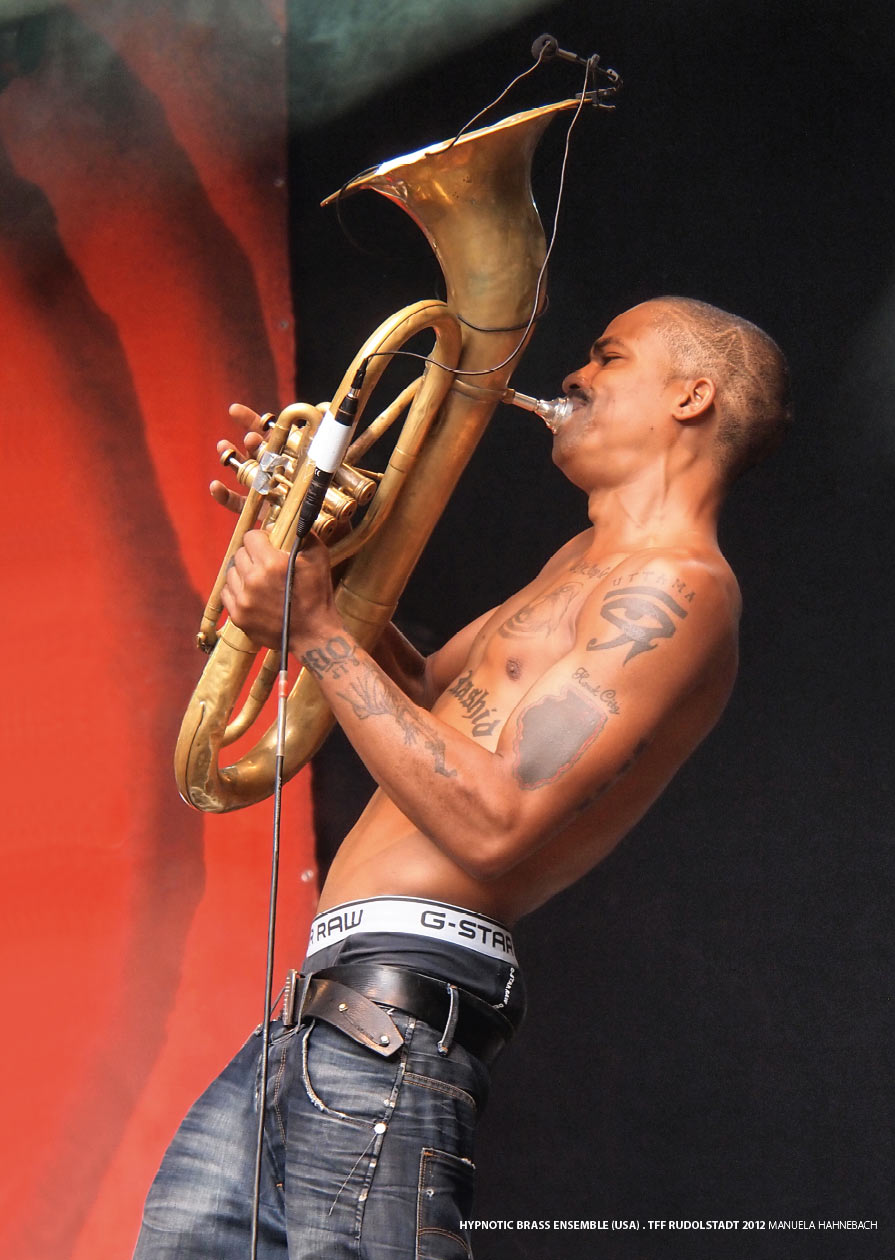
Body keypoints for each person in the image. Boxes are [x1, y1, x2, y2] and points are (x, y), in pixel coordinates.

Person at [133, 296, 791, 1258]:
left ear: (692, 396)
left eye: (608, 358)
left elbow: (495, 823)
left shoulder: (678, 588)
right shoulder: (582, 560)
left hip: (397, 1011)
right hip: (328, 1009)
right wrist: (305, 545)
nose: (575, 377)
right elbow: (421, 697)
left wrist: (316, 629)